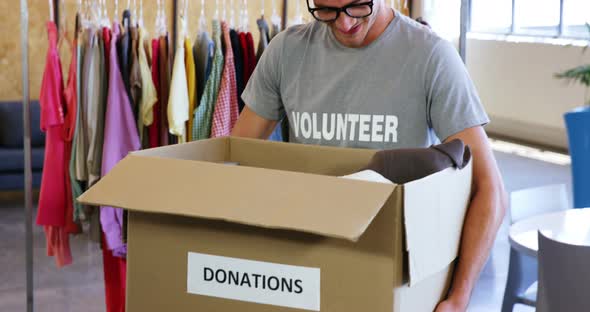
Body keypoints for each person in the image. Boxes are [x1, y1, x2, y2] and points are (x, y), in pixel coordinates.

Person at [231, 1, 507, 310]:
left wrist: (459, 298)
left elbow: (490, 189)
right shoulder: (285, 51)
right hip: (303, 267)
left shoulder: (430, 56)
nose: (344, 24)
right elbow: (233, 159)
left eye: (357, 6)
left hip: (389, 270)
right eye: (326, 10)